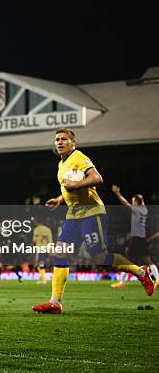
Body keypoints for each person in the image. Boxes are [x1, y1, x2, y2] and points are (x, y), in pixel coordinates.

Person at [32, 128, 154, 314]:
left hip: (91, 213)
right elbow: (69, 187)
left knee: (101, 258)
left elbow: (97, 178)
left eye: (64, 139)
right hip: (73, 215)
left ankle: (140, 272)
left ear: (73, 142)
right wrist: (59, 199)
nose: (60, 142)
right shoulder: (61, 164)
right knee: (60, 254)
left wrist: (75, 185)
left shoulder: (78, 157)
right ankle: (55, 302)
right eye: (57, 139)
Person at [110, 185, 159, 289]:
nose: (132, 203)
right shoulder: (144, 210)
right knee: (148, 260)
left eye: (133, 201)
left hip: (136, 238)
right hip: (143, 238)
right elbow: (140, 202)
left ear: (137, 202)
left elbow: (125, 204)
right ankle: (158, 280)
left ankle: (122, 282)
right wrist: (140, 199)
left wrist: (118, 194)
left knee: (126, 260)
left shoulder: (136, 210)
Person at [32, 217, 53, 284]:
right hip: (46, 248)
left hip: (40, 248)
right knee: (40, 263)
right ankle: (41, 278)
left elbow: (34, 240)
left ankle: (43, 279)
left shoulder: (36, 229)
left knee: (40, 263)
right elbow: (50, 240)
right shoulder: (48, 229)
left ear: (37, 222)